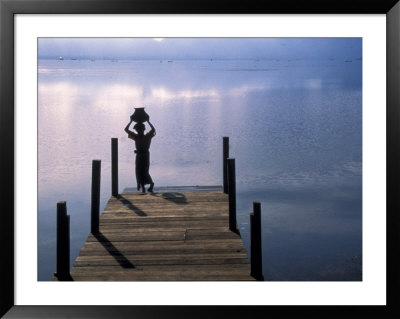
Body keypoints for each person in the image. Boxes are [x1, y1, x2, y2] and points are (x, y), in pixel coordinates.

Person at [124, 119, 156, 193]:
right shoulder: (136, 136)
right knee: (139, 171)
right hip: (139, 155)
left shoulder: (148, 136)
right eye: (138, 130)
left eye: (140, 130)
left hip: (145, 155)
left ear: (143, 129)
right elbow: (126, 129)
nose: (139, 131)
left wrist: (148, 121)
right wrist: (131, 121)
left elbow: (153, 129)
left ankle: (151, 184)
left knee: (144, 171)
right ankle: (143, 187)